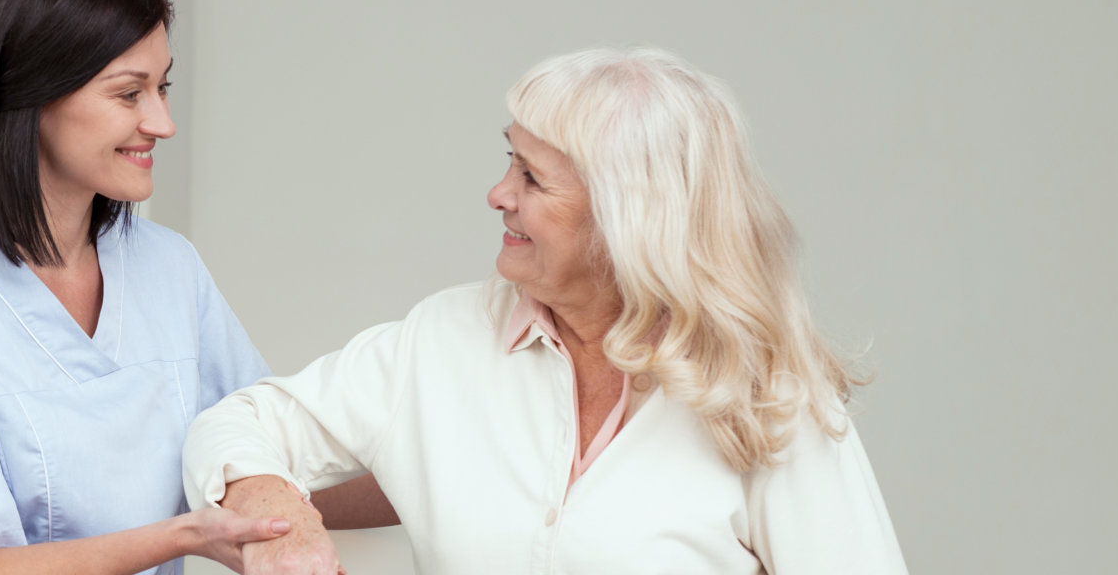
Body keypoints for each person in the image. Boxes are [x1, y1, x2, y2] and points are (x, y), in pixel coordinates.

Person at [183, 46, 908, 574]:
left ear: (631, 218)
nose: (499, 194)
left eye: (532, 177)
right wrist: (272, 503)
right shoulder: (442, 339)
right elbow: (236, 423)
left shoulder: (766, 394)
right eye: (508, 161)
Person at [0, 0, 392, 574]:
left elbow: (265, 466)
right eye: (129, 94)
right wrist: (181, 535)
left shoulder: (169, 267)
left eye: (163, 87)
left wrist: (441, 485)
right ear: (31, 96)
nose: (162, 123)